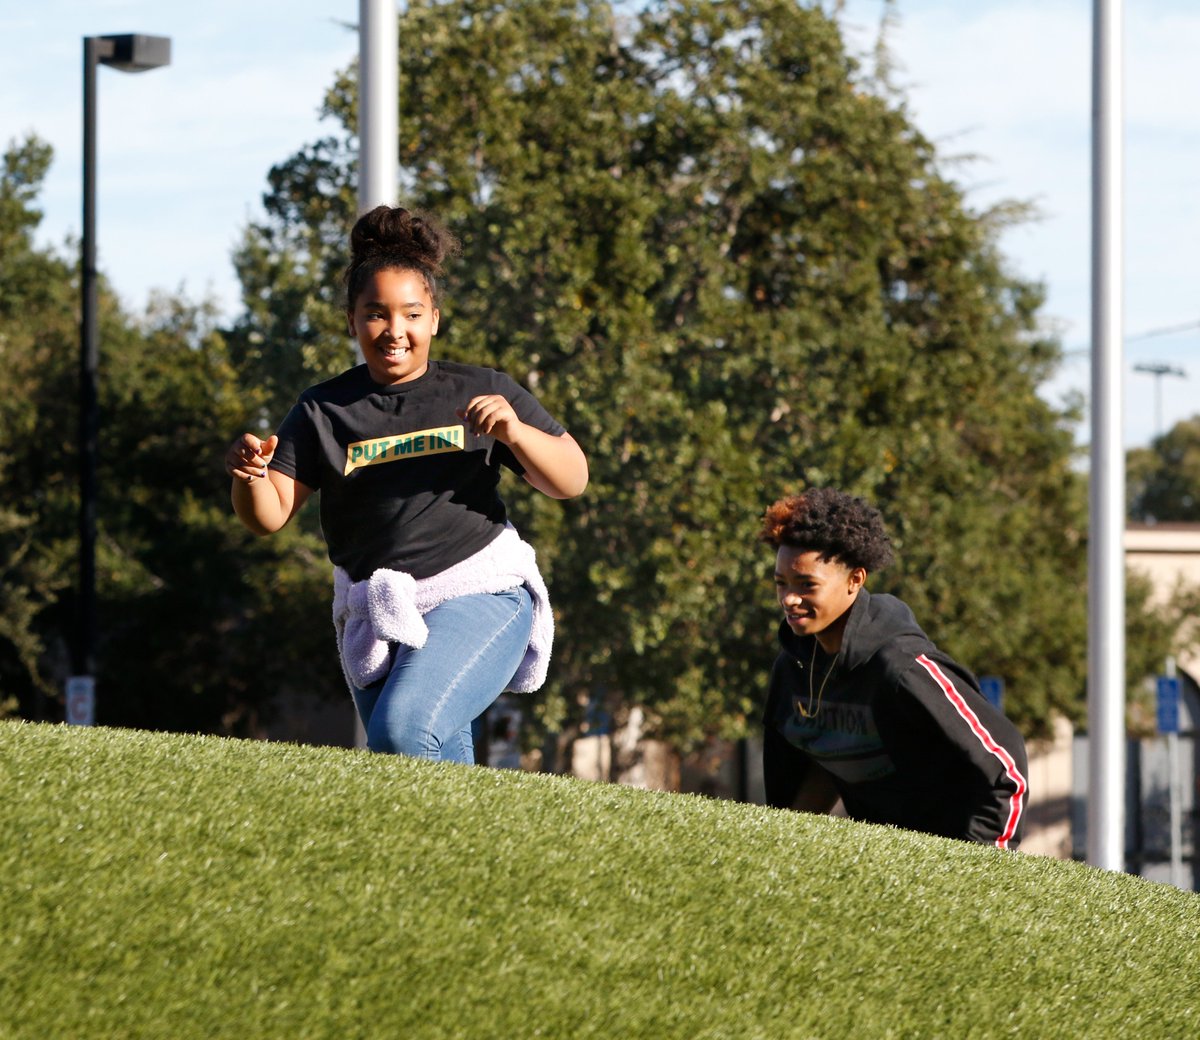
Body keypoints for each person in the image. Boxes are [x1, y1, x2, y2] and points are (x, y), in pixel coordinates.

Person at [225, 205, 588, 763]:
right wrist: (251, 477)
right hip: (378, 612)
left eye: (411, 314)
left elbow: (571, 478)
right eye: (376, 314)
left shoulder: (481, 388)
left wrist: (515, 431)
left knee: (401, 731)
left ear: (434, 320)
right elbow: (268, 514)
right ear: (351, 321)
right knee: (422, 765)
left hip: (481, 594)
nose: (395, 331)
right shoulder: (323, 409)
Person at [759, 488, 1028, 849]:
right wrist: (783, 847)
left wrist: (977, 870)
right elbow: (816, 764)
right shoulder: (793, 667)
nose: (789, 599)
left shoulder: (902, 666)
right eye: (781, 583)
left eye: (807, 585)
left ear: (855, 580)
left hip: (953, 858)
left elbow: (1005, 764)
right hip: (884, 860)